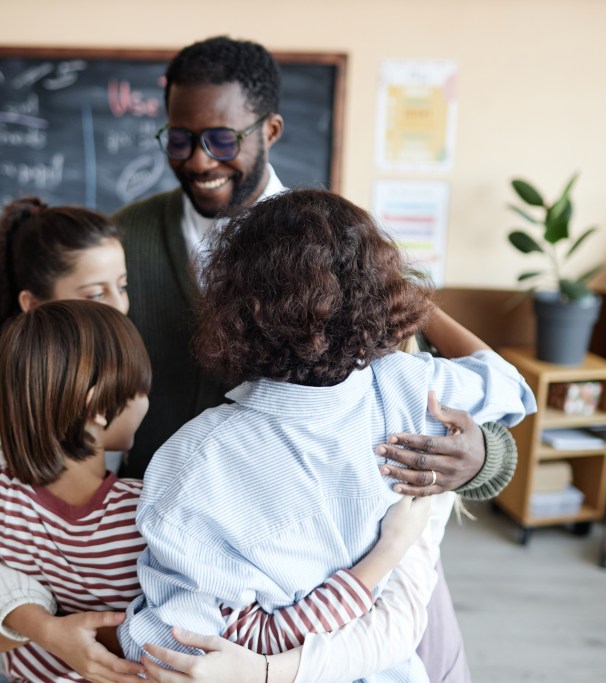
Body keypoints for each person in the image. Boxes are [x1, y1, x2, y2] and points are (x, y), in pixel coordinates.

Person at [0, 35, 521, 681]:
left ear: (270, 130)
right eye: (179, 140)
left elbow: (438, 405)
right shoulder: (128, 237)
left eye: (222, 140)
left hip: (344, 574)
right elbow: (47, 344)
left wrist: (483, 459)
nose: (200, 159)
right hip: (174, 562)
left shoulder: (342, 252)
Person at [119, 188, 536, 683]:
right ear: (378, 293)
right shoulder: (411, 388)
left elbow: (169, 645)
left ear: (234, 308)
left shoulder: (192, 460)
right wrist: (408, 302)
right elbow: (511, 387)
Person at [0, 298, 436, 683]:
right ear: (98, 407)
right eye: (140, 389)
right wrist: (384, 557)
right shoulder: (146, 515)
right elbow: (254, 638)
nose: (146, 401)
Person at [0, 197, 129, 682]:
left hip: (74, 647)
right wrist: (34, 626)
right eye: (95, 294)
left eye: (122, 287)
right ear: (33, 306)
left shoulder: (112, 384)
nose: (119, 307)